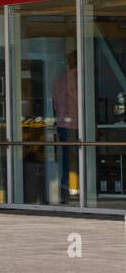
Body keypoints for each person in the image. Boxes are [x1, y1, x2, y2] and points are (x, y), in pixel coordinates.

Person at [52, 52, 79, 204]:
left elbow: (55, 104)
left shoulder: (59, 80)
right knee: (80, 159)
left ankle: (65, 192)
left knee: (66, 161)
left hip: (62, 124)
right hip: (76, 124)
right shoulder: (76, 79)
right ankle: (86, 192)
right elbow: (80, 101)